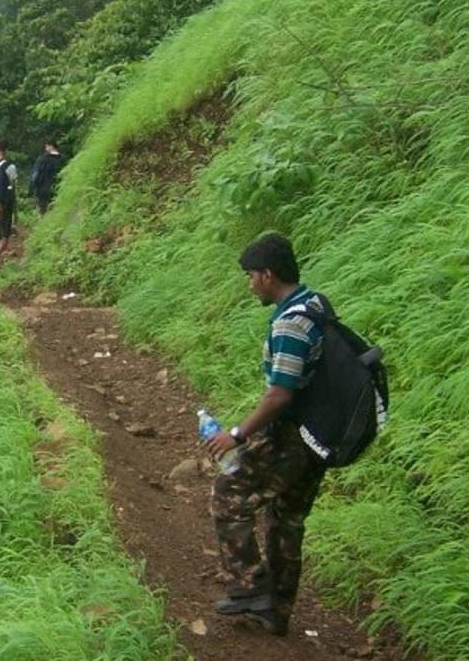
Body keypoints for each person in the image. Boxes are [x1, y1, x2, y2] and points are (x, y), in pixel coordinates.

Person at [204, 233, 329, 636]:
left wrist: (237, 435)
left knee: (228, 494)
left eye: (251, 276)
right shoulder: (315, 303)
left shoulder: (292, 322)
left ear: (268, 275)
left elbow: (279, 395)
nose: (249, 283)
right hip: (318, 436)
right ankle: (276, 610)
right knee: (286, 519)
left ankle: (251, 585)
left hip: (290, 435)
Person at [0, 142, 18, 255]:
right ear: (6, 151)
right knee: (4, 231)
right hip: (5, 203)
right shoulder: (10, 166)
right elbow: (13, 186)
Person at [27, 140, 65, 214]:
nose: (45, 148)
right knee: (56, 211)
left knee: (42, 212)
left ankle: (43, 224)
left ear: (51, 146)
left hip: (42, 190)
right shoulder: (63, 159)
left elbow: (35, 175)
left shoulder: (42, 159)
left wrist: (31, 189)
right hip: (59, 190)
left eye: (46, 146)